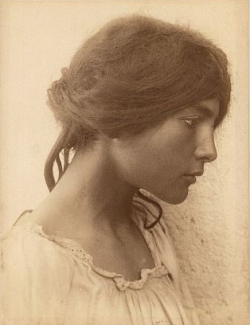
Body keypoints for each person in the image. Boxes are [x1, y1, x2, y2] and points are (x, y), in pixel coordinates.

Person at [2, 14, 231, 325]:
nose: (209, 151)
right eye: (190, 122)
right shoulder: (24, 269)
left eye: (212, 127)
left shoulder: (149, 230)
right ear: (120, 114)